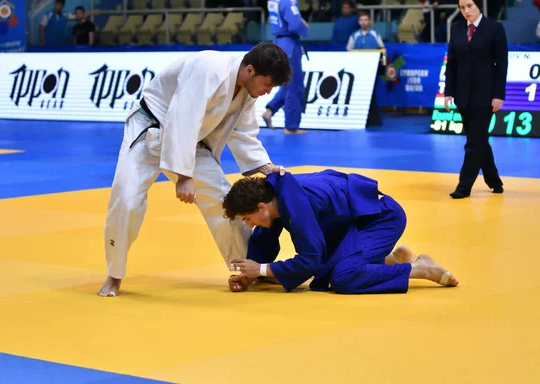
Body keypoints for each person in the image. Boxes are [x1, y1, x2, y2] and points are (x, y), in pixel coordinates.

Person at [98, 43, 291, 297]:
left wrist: (266, 167)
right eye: (268, 84)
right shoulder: (209, 69)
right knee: (126, 199)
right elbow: (182, 117)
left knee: (226, 201)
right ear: (250, 70)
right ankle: (114, 274)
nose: (268, 92)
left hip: (193, 142)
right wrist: (183, 175)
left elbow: (243, 132)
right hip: (149, 129)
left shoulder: (246, 90)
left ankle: (248, 267)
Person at [222, 170, 459, 294]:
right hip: (352, 223)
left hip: (382, 218)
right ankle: (391, 259)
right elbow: (265, 240)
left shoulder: (296, 204)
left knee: (342, 278)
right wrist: (251, 275)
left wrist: (262, 268)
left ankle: (419, 268)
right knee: (277, 277)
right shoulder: (273, 194)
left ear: (261, 207)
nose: (250, 225)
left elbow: (310, 260)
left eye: (248, 219)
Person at [444, 0, 508, 199]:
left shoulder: (494, 28)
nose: (465, 11)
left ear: (479, 5)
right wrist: (448, 92)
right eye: (462, 7)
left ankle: (464, 187)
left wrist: (498, 95)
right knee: (479, 140)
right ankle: (494, 180)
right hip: (463, 95)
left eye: (469, 6)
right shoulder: (456, 28)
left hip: (485, 94)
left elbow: (502, 64)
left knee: (473, 142)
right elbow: (452, 63)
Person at [261, 0, 309, 135]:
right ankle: (291, 126)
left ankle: (269, 111)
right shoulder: (288, 1)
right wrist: (304, 25)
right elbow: (295, 24)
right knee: (295, 86)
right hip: (290, 45)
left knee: (287, 84)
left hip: (279, 42)